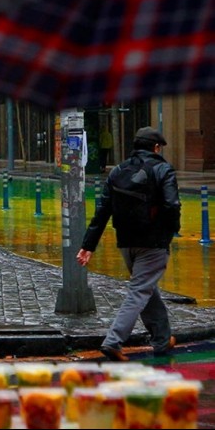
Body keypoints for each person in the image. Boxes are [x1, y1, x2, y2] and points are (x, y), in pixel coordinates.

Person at [76, 126, 181, 362]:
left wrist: (88, 245)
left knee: (146, 287)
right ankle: (113, 341)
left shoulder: (117, 171)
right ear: (156, 148)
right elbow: (172, 205)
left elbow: (102, 210)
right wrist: (171, 231)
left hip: (125, 242)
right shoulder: (163, 169)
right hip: (153, 243)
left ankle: (162, 339)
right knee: (140, 290)